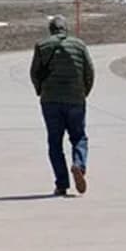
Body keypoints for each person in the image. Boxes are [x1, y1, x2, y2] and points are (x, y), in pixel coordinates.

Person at [29, 14, 95, 196]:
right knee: (79, 137)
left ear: (51, 29)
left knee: (55, 142)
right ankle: (79, 165)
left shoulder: (42, 46)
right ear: (66, 29)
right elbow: (89, 72)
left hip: (50, 101)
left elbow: (34, 73)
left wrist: (40, 91)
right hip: (75, 100)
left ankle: (61, 183)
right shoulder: (79, 45)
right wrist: (83, 93)